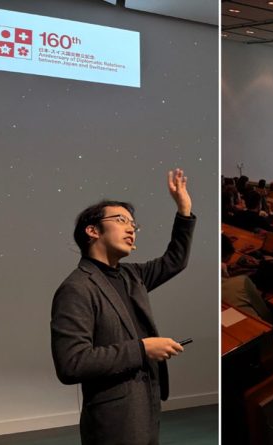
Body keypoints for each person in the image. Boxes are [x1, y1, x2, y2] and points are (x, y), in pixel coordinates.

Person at [51, 169, 196, 445]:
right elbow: (72, 363)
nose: (131, 228)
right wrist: (143, 349)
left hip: (146, 404)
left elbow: (175, 260)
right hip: (114, 419)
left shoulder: (132, 275)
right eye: (121, 220)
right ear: (92, 230)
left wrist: (184, 210)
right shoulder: (77, 288)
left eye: (133, 224)